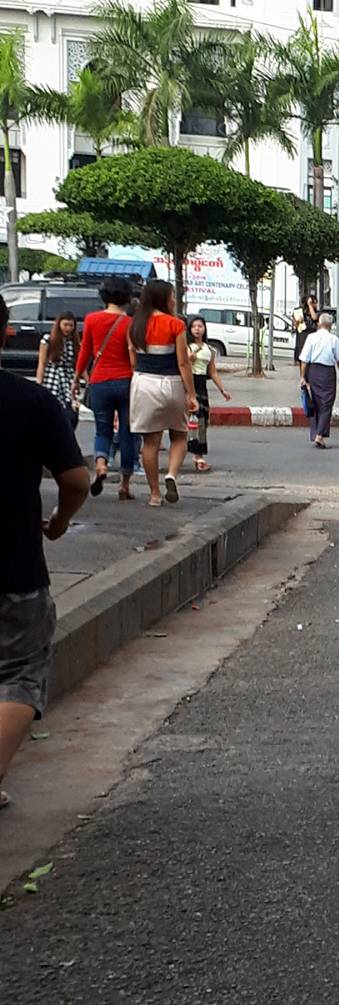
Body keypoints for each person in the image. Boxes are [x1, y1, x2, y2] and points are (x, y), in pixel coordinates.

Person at [0, 294, 91, 813]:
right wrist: (58, 523)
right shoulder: (31, 404)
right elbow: (76, 480)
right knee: (18, 675)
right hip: (15, 566)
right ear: (5, 333)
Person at [128, 280, 196, 505]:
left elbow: (133, 359)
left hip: (143, 382)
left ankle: (155, 494)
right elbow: (183, 362)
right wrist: (191, 394)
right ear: (163, 299)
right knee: (179, 434)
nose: (174, 300)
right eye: (172, 296)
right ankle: (171, 474)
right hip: (171, 383)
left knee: (150, 443)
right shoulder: (175, 324)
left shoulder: (135, 325)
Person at [73, 275, 139, 500]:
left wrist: (76, 378)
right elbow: (134, 355)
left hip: (99, 381)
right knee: (128, 433)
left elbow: (85, 352)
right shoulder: (130, 323)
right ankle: (125, 484)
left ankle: (101, 464)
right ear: (127, 297)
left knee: (102, 430)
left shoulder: (92, 319)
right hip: (126, 382)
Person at [184, 317, 231, 472]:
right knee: (188, 420)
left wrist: (223, 389)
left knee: (202, 420)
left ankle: (198, 454)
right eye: (194, 326)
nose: (197, 329)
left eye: (200, 326)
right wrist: (189, 361)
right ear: (189, 329)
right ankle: (186, 451)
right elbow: (181, 367)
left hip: (201, 386)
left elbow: (213, 372)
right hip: (187, 385)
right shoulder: (185, 347)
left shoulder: (208, 350)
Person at [298, 310, 339, 448]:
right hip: (327, 372)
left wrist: (303, 376)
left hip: (313, 371)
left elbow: (304, 360)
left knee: (314, 402)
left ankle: (316, 433)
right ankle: (320, 435)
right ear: (330, 325)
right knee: (326, 404)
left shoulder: (311, 338)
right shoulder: (334, 340)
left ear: (319, 324)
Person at [35, 310, 81, 417]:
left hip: (68, 376)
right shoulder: (48, 340)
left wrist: (85, 380)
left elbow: (79, 364)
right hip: (52, 375)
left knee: (71, 411)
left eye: (71, 325)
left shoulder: (74, 342)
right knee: (51, 407)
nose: (68, 328)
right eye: (65, 325)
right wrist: (39, 383)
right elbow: (41, 363)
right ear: (59, 324)